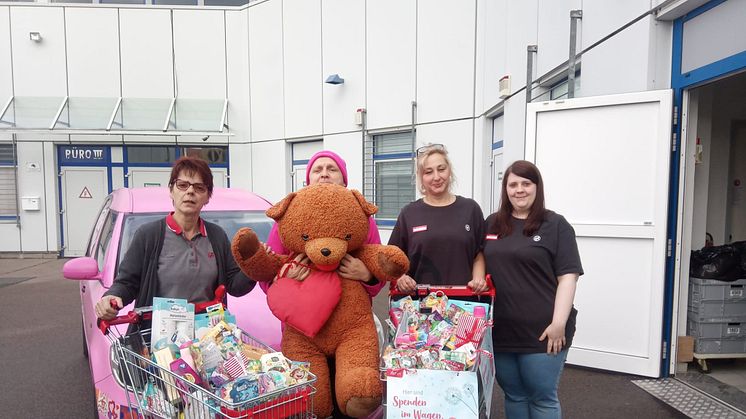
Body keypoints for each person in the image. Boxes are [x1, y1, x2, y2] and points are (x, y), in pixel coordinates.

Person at [95, 156, 255, 323]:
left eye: (199, 187)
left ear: (208, 197)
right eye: (182, 185)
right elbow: (127, 282)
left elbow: (235, 285)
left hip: (207, 336)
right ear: (171, 190)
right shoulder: (149, 235)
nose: (190, 192)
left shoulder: (216, 236)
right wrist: (112, 297)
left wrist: (255, 265)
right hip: (159, 337)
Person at [484, 160, 583, 419]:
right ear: (505, 189)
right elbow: (478, 260)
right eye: (513, 184)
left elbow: (568, 277)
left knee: (542, 398)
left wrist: (558, 323)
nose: (519, 190)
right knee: (514, 394)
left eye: (526, 184)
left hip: (544, 332)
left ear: (536, 187)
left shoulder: (556, 225)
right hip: (501, 330)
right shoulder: (492, 224)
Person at [262, 150, 385, 297]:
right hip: (301, 313)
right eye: (317, 170)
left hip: (351, 315)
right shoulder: (289, 218)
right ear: (308, 181)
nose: (324, 174)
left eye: (332, 169)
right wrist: (283, 278)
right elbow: (266, 273)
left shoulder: (362, 218)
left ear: (344, 181)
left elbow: (380, 267)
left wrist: (367, 275)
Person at [388, 143, 488, 293]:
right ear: (421, 177)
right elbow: (392, 258)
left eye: (441, 169)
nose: (436, 177)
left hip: (464, 304)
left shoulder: (470, 209)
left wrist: (478, 279)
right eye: (428, 172)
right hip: (419, 307)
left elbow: (478, 253)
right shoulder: (409, 213)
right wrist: (401, 277)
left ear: (449, 171)